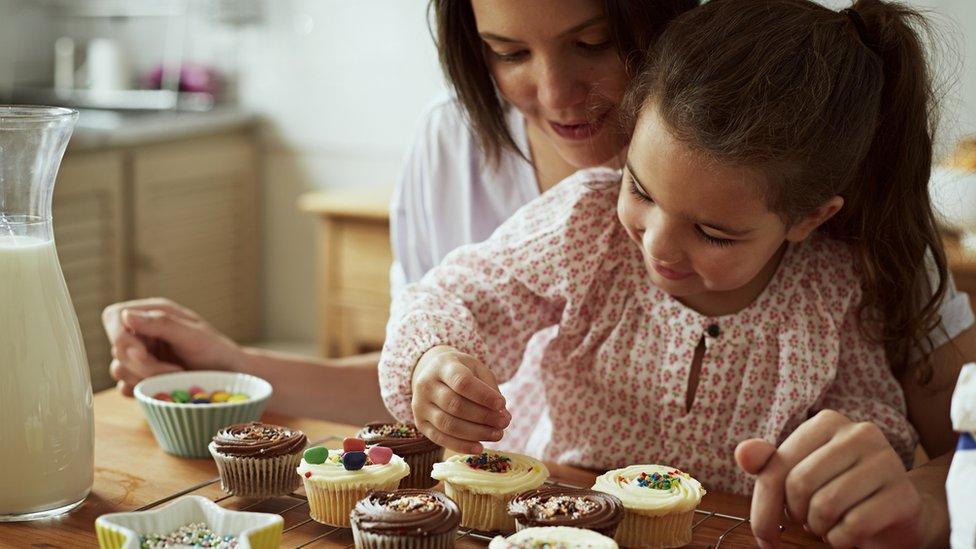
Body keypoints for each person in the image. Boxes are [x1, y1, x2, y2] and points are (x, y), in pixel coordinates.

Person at [378, 0, 976, 546]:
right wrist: (435, 360)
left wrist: (864, 486)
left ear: (808, 218)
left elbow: (884, 440)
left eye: (714, 232)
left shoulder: (842, 292)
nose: (657, 244)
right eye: (639, 188)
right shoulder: (583, 224)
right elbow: (456, 296)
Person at [100, 0, 697, 424]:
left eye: (592, 44)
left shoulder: (726, 166)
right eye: (509, 53)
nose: (555, 94)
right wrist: (232, 367)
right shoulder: (451, 141)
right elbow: (412, 384)